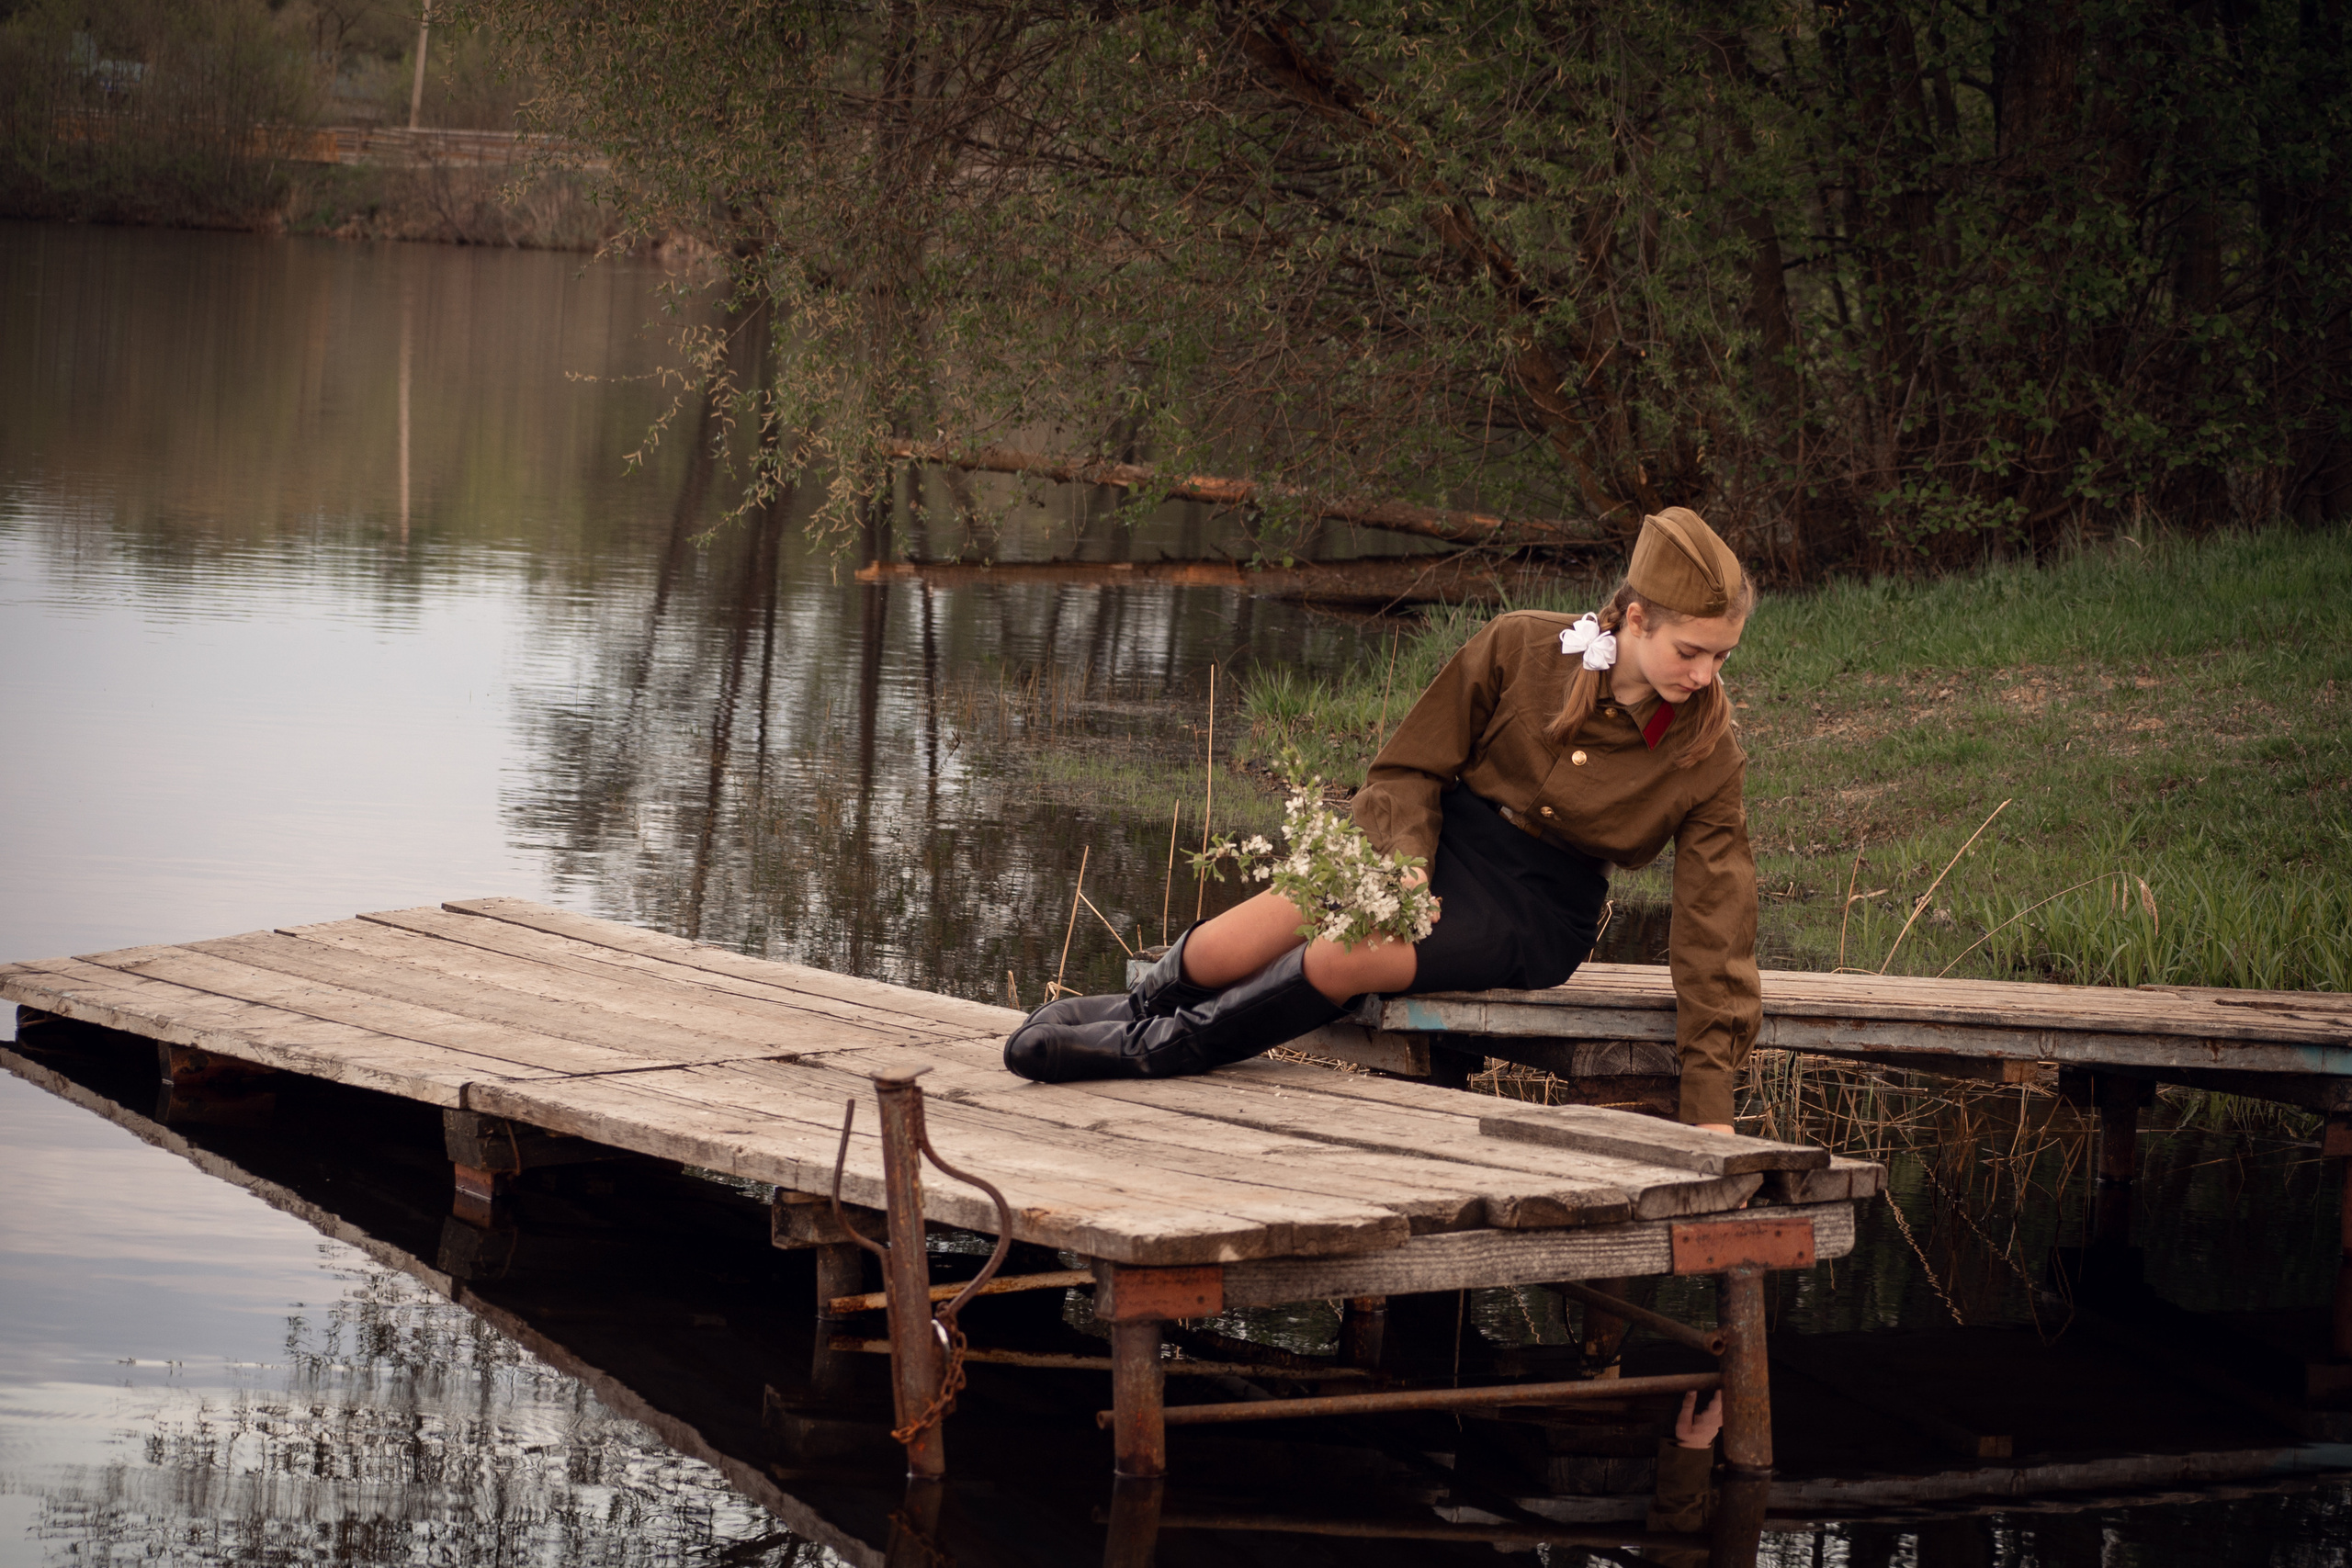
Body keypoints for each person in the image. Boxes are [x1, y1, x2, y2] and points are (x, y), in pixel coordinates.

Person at [1002, 506, 1761, 1132]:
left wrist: (1710, 1108)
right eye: (1692, 651)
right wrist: (1403, 861)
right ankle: (1144, 1004)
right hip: (1433, 846)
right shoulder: (1522, 644)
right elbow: (1409, 767)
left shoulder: (1708, 751)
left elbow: (1713, 925)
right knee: (1263, 924)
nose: (1704, 676)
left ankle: (1151, 1049)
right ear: (1635, 618)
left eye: (1720, 658)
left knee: (1346, 955)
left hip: (1532, 908)